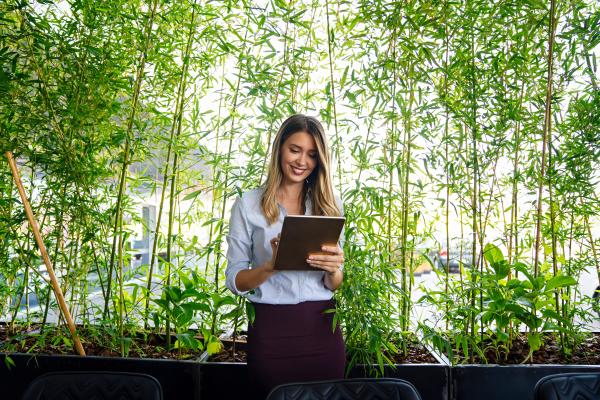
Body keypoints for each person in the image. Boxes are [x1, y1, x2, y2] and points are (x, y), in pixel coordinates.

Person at [225, 114, 346, 398]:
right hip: (271, 331)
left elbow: (335, 283)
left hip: (322, 328)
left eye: (312, 155)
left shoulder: (329, 204)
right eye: (295, 149)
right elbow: (235, 280)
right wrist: (271, 265)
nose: (302, 161)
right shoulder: (248, 205)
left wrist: (333, 270)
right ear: (279, 148)